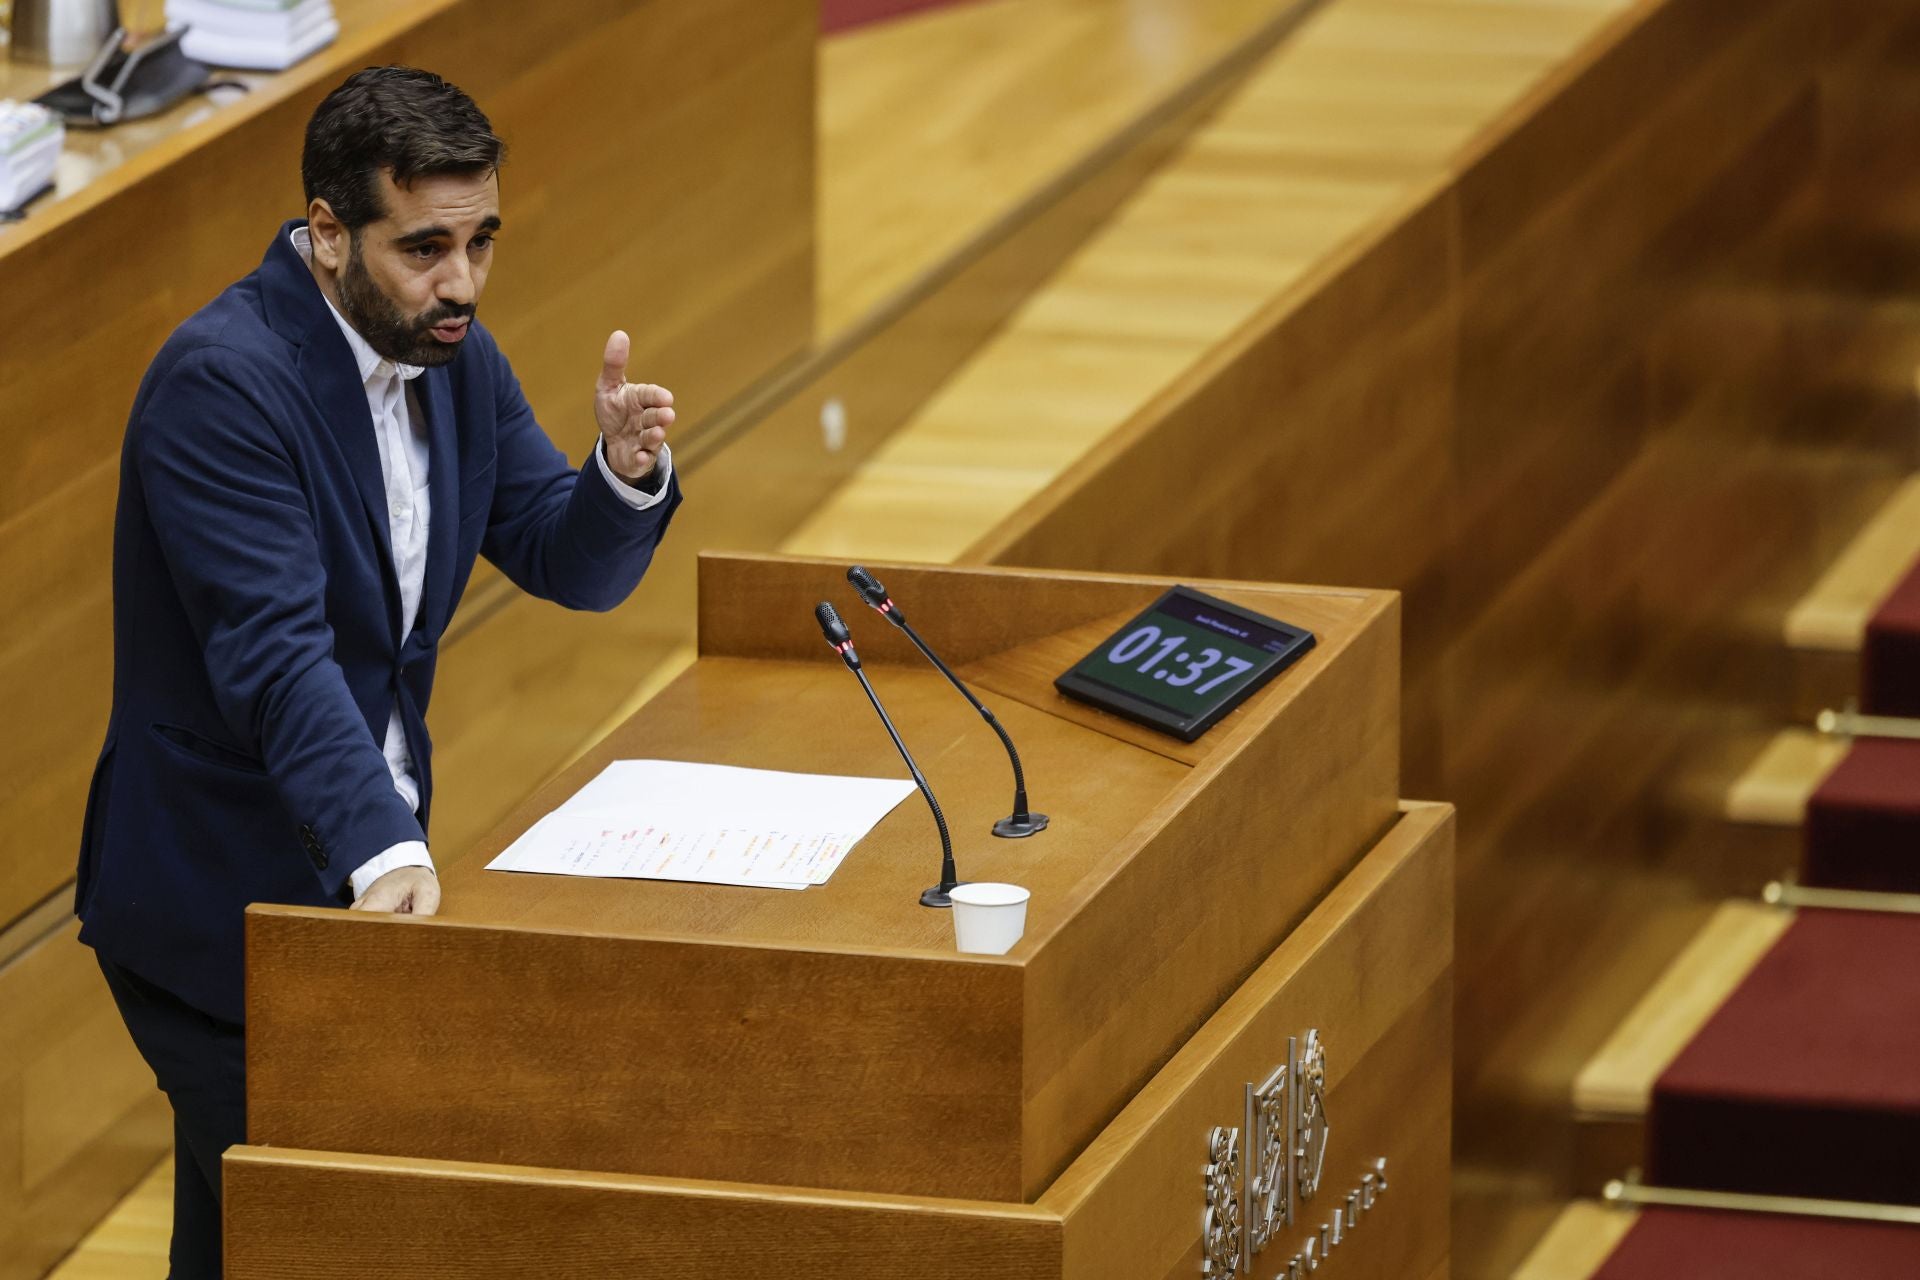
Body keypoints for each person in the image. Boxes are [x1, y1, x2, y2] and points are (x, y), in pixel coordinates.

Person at [72, 66, 683, 1277]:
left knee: (254, 1228)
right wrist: (389, 847)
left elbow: (567, 559)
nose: (460, 280)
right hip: (226, 900)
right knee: (322, 1228)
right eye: (426, 248)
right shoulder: (223, 387)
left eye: (480, 241)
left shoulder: (454, 358)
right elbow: (275, 656)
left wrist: (618, 474)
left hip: (353, 882)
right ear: (328, 230)